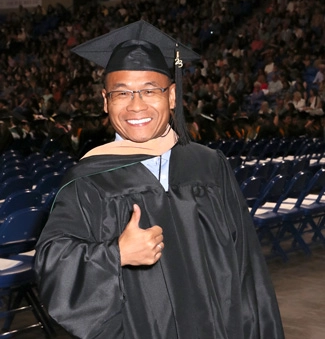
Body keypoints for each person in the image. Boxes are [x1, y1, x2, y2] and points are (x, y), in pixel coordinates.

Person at [35, 20, 284, 339]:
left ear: (171, 95)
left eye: (150, 90)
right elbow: (52, 262)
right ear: (105, 100)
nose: (136, 105)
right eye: (121, 92)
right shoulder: (88, 179)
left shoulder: (209, 165)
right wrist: (116, 254)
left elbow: (248, 268)